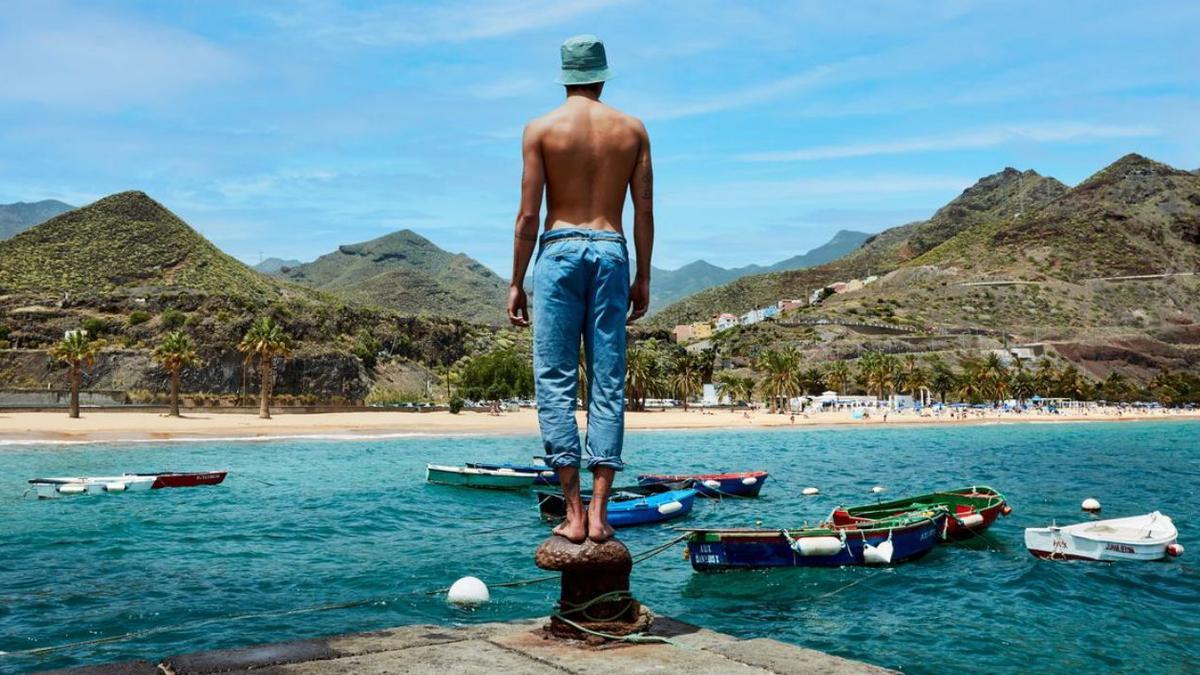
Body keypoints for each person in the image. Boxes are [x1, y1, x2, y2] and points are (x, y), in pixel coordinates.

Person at [507, 35, 653, 544]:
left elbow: (529, 215)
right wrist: (644, 276)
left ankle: (571, 511)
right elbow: (644, 213)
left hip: (559, 250)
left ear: (565, 75)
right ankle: (601, 514)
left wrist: (516, 280)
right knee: (608, 380)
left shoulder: (541, 129)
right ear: (603, 76)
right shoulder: (631, 130)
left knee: (555, 379)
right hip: (612, 248)